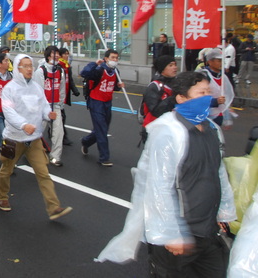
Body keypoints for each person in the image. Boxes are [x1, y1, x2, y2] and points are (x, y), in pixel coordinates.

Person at [96, 71, 236, 276]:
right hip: (178, 237)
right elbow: (158, 186)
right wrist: (170, 233)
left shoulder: (211, 129)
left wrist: (224, 211)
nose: (208, 97)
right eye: (201, 92)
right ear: (181, 98)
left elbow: (218, 172)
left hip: (207, 232)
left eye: (209, 91)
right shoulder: (168, 132)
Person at [0, 54, 72, 220]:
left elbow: (44, 105)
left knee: (43, 172)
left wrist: (47, 114)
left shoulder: (37, 87)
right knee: (6, 171)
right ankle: (2, 197)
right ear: (17, 68)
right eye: (25, 66)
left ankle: (53, 207)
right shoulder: (10, 89)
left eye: (31, 65)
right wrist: (24, 125)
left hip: (34, 139)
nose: (30, 69)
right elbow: (8, 112)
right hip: (14, 139)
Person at [79, 49, 124, 166]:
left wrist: (118, 86)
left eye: (116, 58)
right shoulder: (99, 69)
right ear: (106, 58)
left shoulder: (116, 71)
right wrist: (94, 64)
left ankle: (86, 141)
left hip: (107, 103)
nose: (115, 60)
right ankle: (104, 158)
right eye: (112, 57)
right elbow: (84, 73)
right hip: (96, 102)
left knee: (102, 129)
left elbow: (112, 87)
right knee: (102, 130)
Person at [33, 46, 66, 167]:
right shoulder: (41, 71)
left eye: (57, 54)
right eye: (53, 54)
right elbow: (38, 91)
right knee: (37, 132)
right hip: (42, 107)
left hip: (55, 105)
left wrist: (60, 103)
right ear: (48, 56)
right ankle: (31, 152)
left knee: (58, 132)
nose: (56, 56)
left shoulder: (60, 71)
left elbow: (62, 88)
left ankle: (55, 157)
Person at [140, 55, 177, 145]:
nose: (175, 67)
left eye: (175, 64)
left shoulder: (177, 85)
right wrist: (173, 99)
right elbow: (155, 110)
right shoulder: (154, 86)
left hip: (171, 128)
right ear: (162, 69)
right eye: (170, 65)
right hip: (154, 128)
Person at [197, 49, 233, 126]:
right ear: (210, 61)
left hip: (218, 115)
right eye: (219, 61)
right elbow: (196, 98)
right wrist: (215, 101)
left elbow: (226, 96)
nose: (221, 63)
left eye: (222, 61)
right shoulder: (202, 76)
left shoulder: (223, 77)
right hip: (204, 116)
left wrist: (227, 117)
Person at [58, 47, 79, 146]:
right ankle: (63, 137)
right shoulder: (58, 66)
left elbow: (70, 80)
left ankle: (53, 132)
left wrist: (75, 90)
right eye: (65, 54)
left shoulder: (67, 66)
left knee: (58, 117)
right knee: (62, 117)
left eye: (67, 54)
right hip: (57, 96)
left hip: (64, 95)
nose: (67, 56)